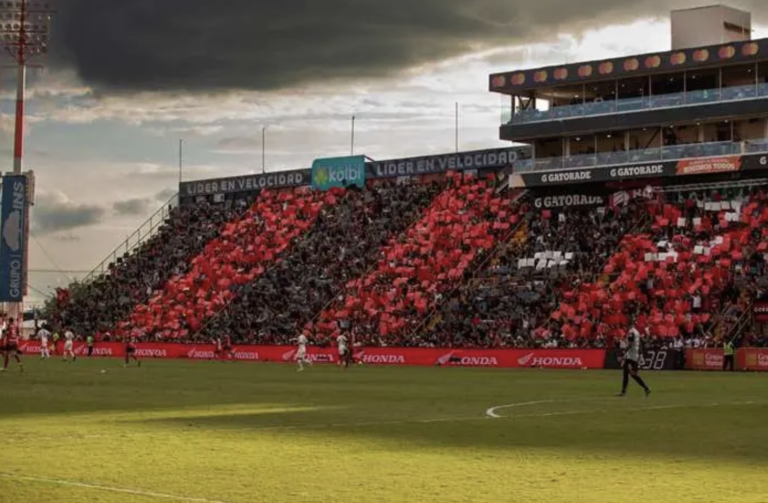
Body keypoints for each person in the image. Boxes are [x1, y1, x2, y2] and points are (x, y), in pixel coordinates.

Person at [618, 325, 651, 397]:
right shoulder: (637, 332)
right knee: (629, 374)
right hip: (635, 356)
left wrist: (623, 353)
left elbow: (630, 344)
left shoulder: (631, 332)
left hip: (630, 356)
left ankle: (646, 388)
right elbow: (643, 342)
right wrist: (648, 335)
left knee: (630, 374)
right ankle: (645, 388)